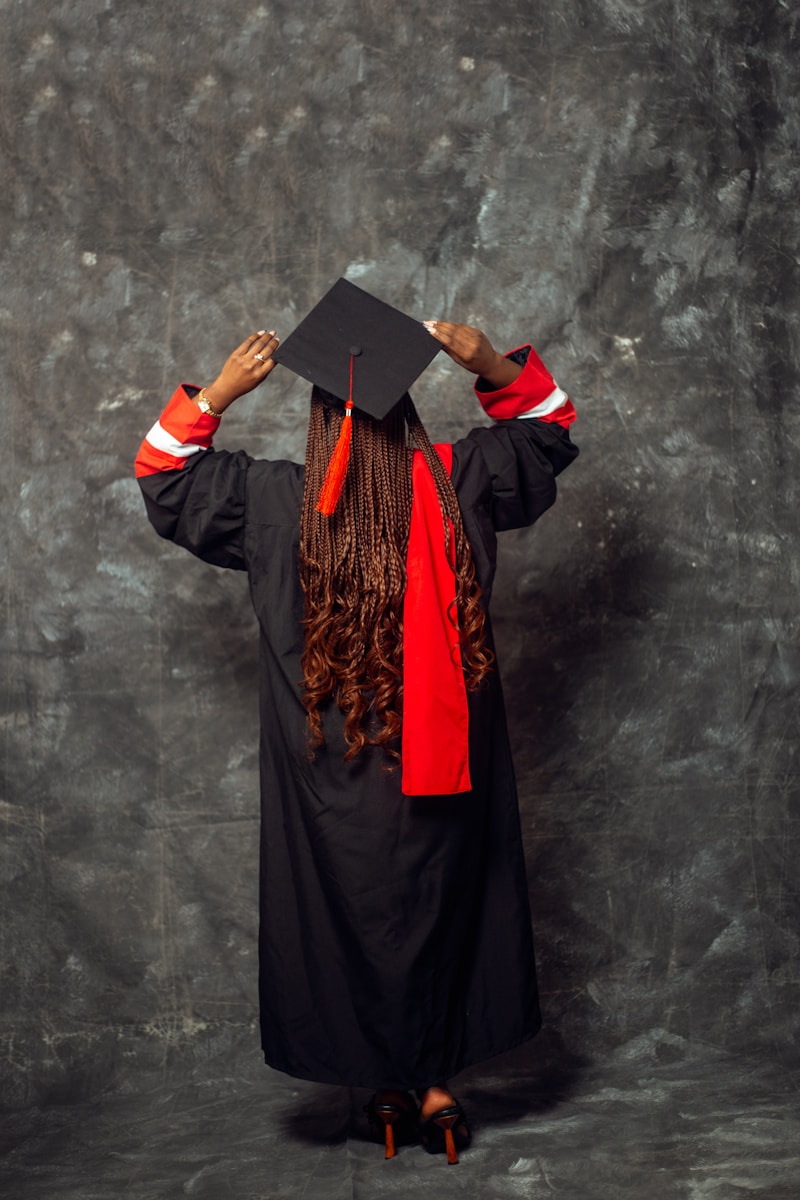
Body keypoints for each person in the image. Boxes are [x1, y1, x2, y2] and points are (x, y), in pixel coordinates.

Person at [134, 304, 578, 1165]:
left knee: (349, 913)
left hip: (328, 768)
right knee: (447, 903)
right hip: (448, 753)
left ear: (317, 423)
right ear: (408, 419)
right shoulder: (462, 477)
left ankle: (380, 1085)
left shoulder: (273, 499)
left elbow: (164, 474)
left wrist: (218, 393)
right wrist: (490, 363)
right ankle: (440, 1087)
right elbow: (549, 433)